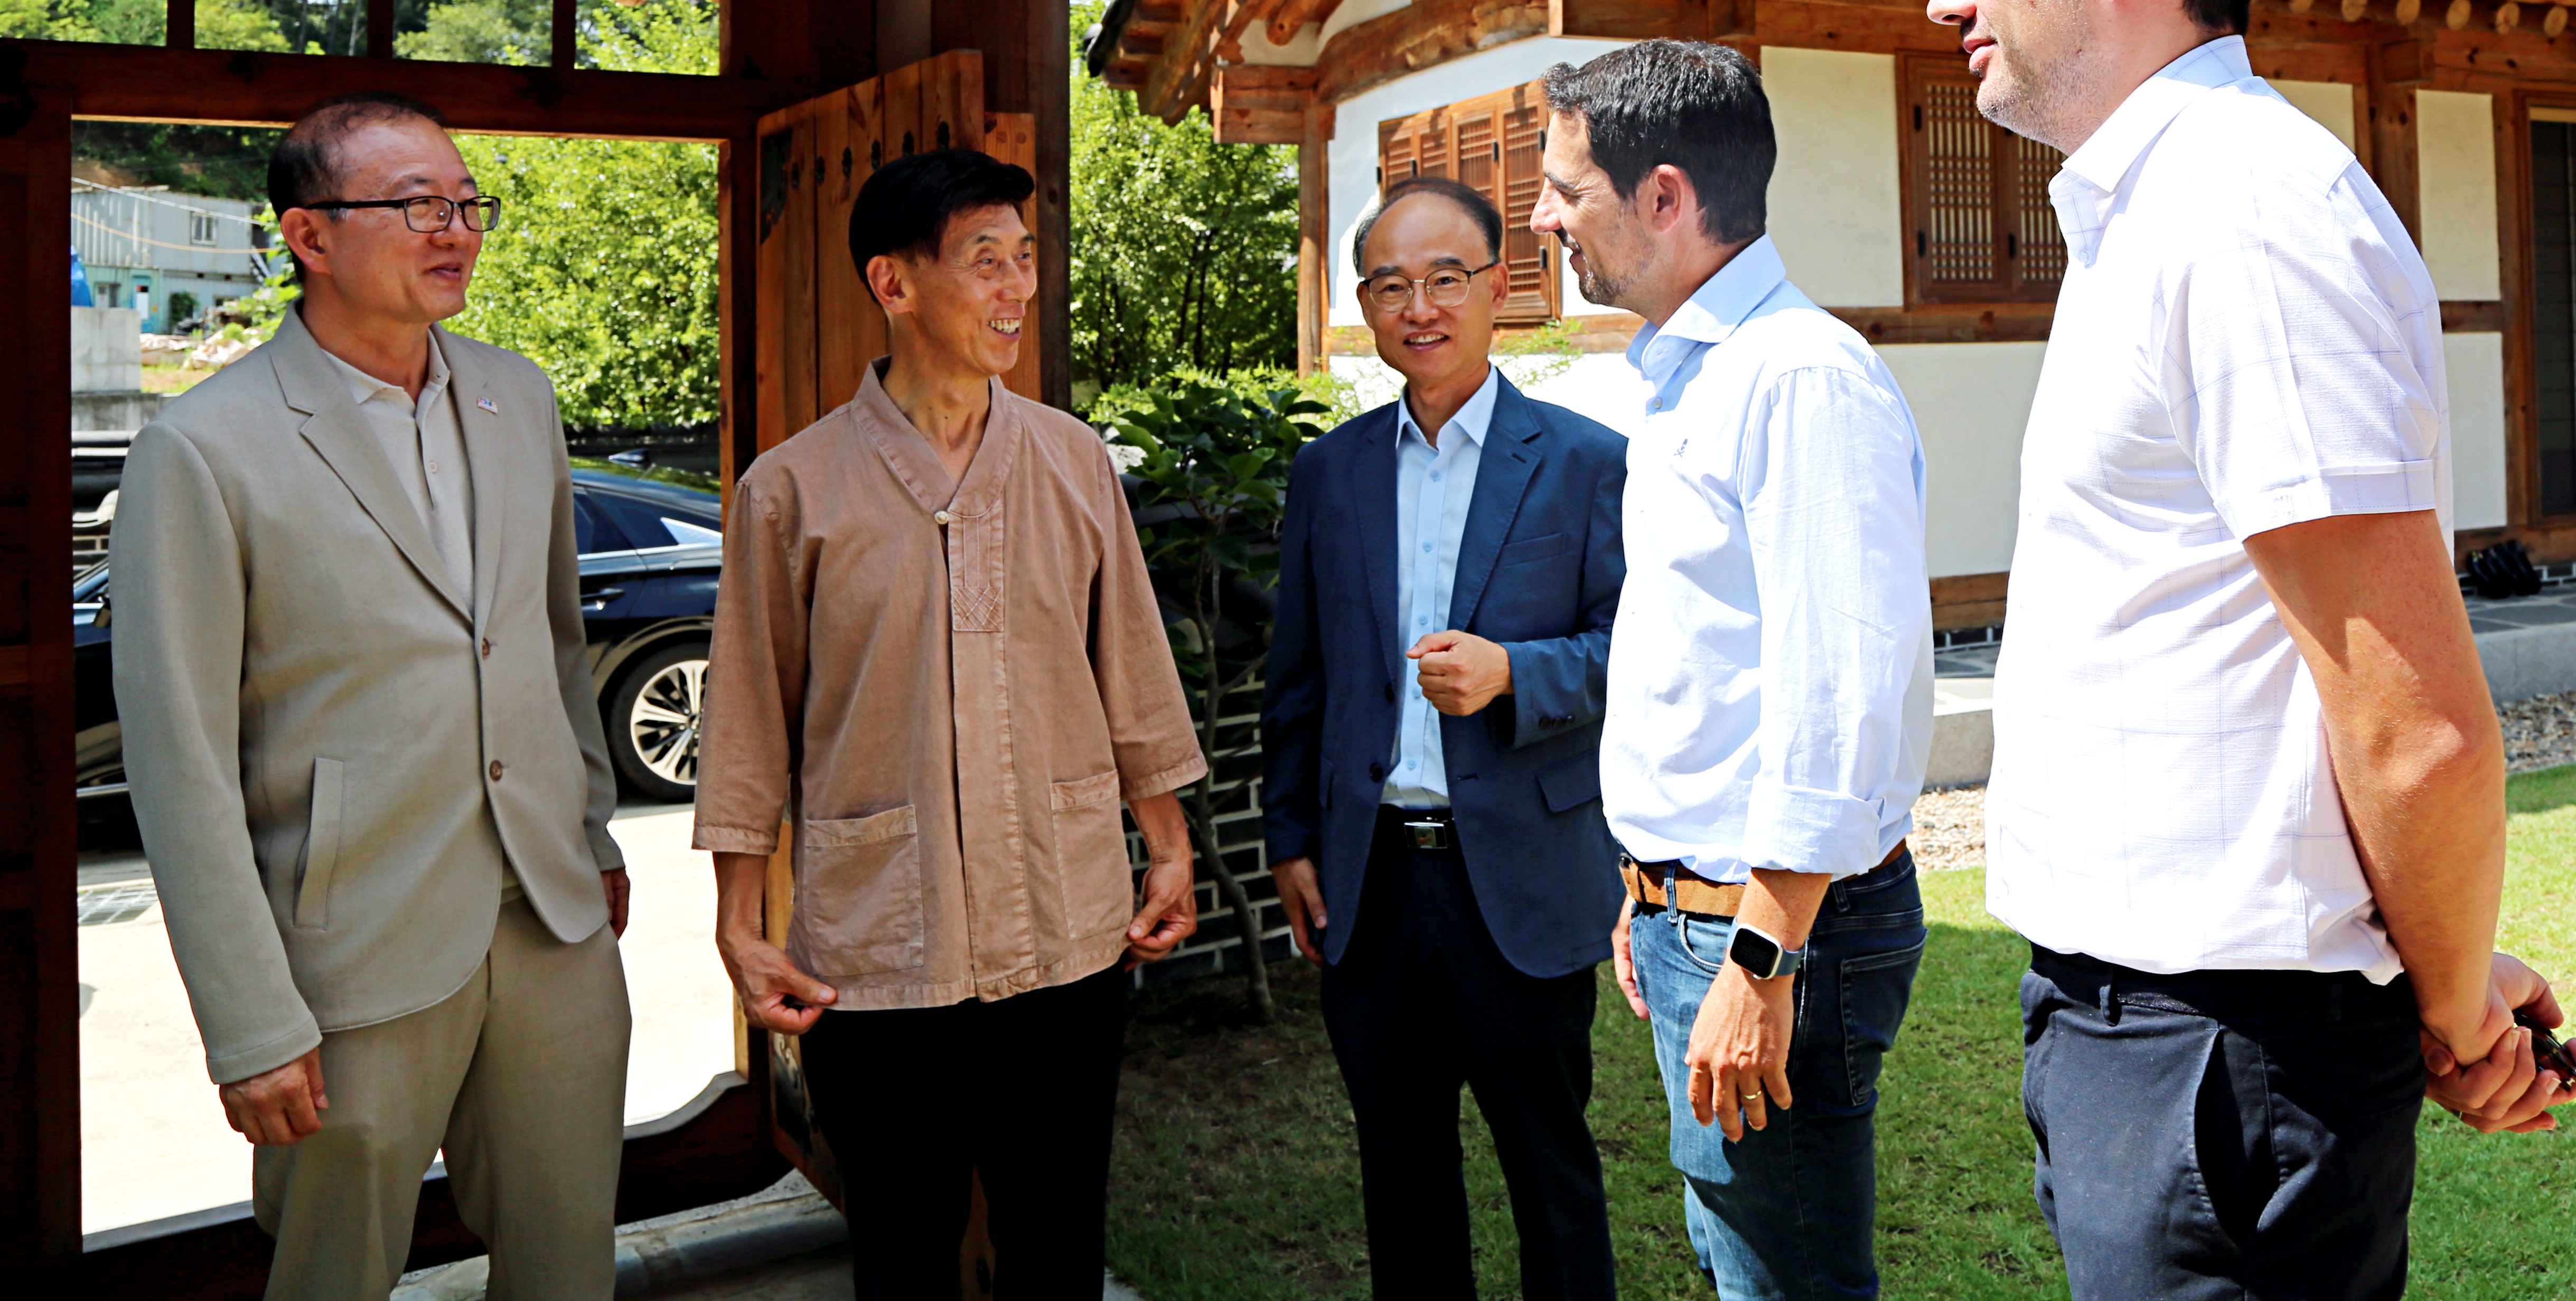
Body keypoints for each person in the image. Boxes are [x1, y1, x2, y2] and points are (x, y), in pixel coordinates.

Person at [1913, 0, 2576, 1301]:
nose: (1945, 2)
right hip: (2158, 1023)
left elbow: (2412, 719)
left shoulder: (2245, 219)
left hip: (2220, 1047)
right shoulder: (2154, 213)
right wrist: (2443, 978)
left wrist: (2451, 1016)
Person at [110, 91, 633, 1300]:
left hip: (551, 920)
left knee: (569, 1264)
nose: (454, 228)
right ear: (308, 236)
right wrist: (248, 1020)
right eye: (414, 205)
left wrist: (592, 825)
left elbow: (554, 643)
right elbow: (182, 760)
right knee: (332, 1277)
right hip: (347, 950)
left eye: (465, 203)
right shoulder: (205, 447)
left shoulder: (520, 398)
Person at [692, 148, 1204, 1301]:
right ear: (895, 283)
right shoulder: (793, 488)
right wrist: (738, 918)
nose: (1017, 287)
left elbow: (1130, 664)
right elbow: (747, 720)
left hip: (1069, 930)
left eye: (1026, 260)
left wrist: (1166, 845)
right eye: (987, 262)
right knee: (902, 1257)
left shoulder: (1073, 462)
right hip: (880, 959)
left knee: (1059, 1250)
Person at [1528, 41, 1935, 1301]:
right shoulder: (1686, 374)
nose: (1542, 219)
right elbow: (1704, 667)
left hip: (1775, 932)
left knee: (1788, 1276)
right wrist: (1653, 887)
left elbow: (1841, 697)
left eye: (1564, 188)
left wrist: (1759, 955)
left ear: (1663, 197)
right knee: (1738, 1254)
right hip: (1693, 911)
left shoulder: (1798, 380)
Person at [1261, 176, 1630, 1301]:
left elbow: (1643, 655)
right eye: (1390, 284)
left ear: (1501, 288)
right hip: (1371, 888)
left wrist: (1519, 673)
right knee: (1401, 1180)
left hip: (1516, 880)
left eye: (1445, 278)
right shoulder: (1331, 472)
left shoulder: (1586, 461)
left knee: (1550, 1180)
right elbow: (1301, 675)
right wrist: (1290, 839)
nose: (1419, 306)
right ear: (1365, 305)